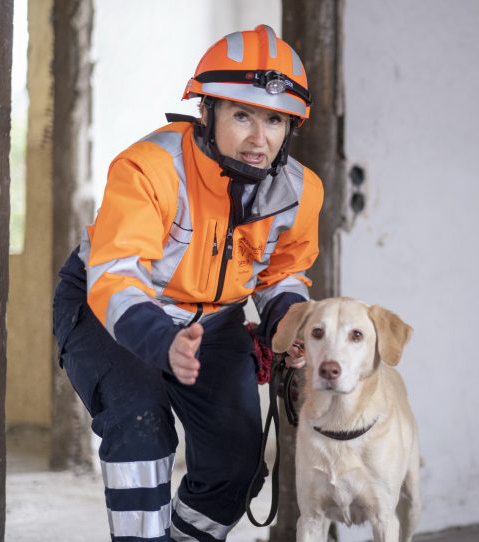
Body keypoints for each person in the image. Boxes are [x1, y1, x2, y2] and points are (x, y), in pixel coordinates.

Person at [52, 25, 321, 542]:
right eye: (242, 115)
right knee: (141, 427)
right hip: (113, 310)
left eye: (274, 120)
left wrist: (289, 327)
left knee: (238, 467)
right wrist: (162, 340)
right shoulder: (149, 167)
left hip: (214, 320)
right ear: (207, 112)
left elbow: (282, 271)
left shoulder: (301, 192)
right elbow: (117, 275)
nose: (258, 138)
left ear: (291, 127)